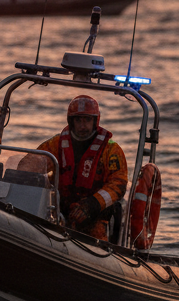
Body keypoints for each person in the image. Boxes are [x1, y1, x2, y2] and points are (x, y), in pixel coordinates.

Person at [36, 94, 128, 239]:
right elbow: (33, 164)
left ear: (95, 121)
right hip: (59, 209)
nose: (82, 125)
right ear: (71, 121)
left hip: (95, 213)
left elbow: (118, 184)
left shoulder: (111, 150)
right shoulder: (56, 145)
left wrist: (92, 204)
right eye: (78, 120)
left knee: (96, 232)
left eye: (87, 120)